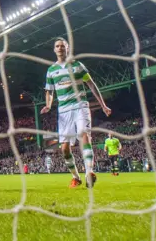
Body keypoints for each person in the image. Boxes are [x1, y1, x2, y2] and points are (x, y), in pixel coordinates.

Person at [41, 38, 111, 189]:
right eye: (57, 46)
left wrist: (103, 105)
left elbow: (91, 85)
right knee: (65, 149)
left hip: (80, 106)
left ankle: (89, 173)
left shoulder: (77, 66)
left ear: (67, 48)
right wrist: (48, 105)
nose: (60, 48)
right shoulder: (51, 70)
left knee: (84, 135)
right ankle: (76, 177)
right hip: (63, 111)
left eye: (62, 46)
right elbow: (49, 91)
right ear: (54, 50)